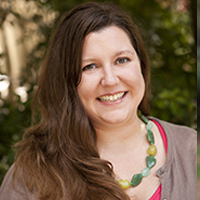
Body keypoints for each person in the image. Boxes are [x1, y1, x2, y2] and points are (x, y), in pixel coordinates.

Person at [0, 2, 196, 200]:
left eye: (122, 60)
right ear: (67, 82)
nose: (110, 80)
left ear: (141, 65)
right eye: (90, 66)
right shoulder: (32, 175)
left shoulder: (191, 149)